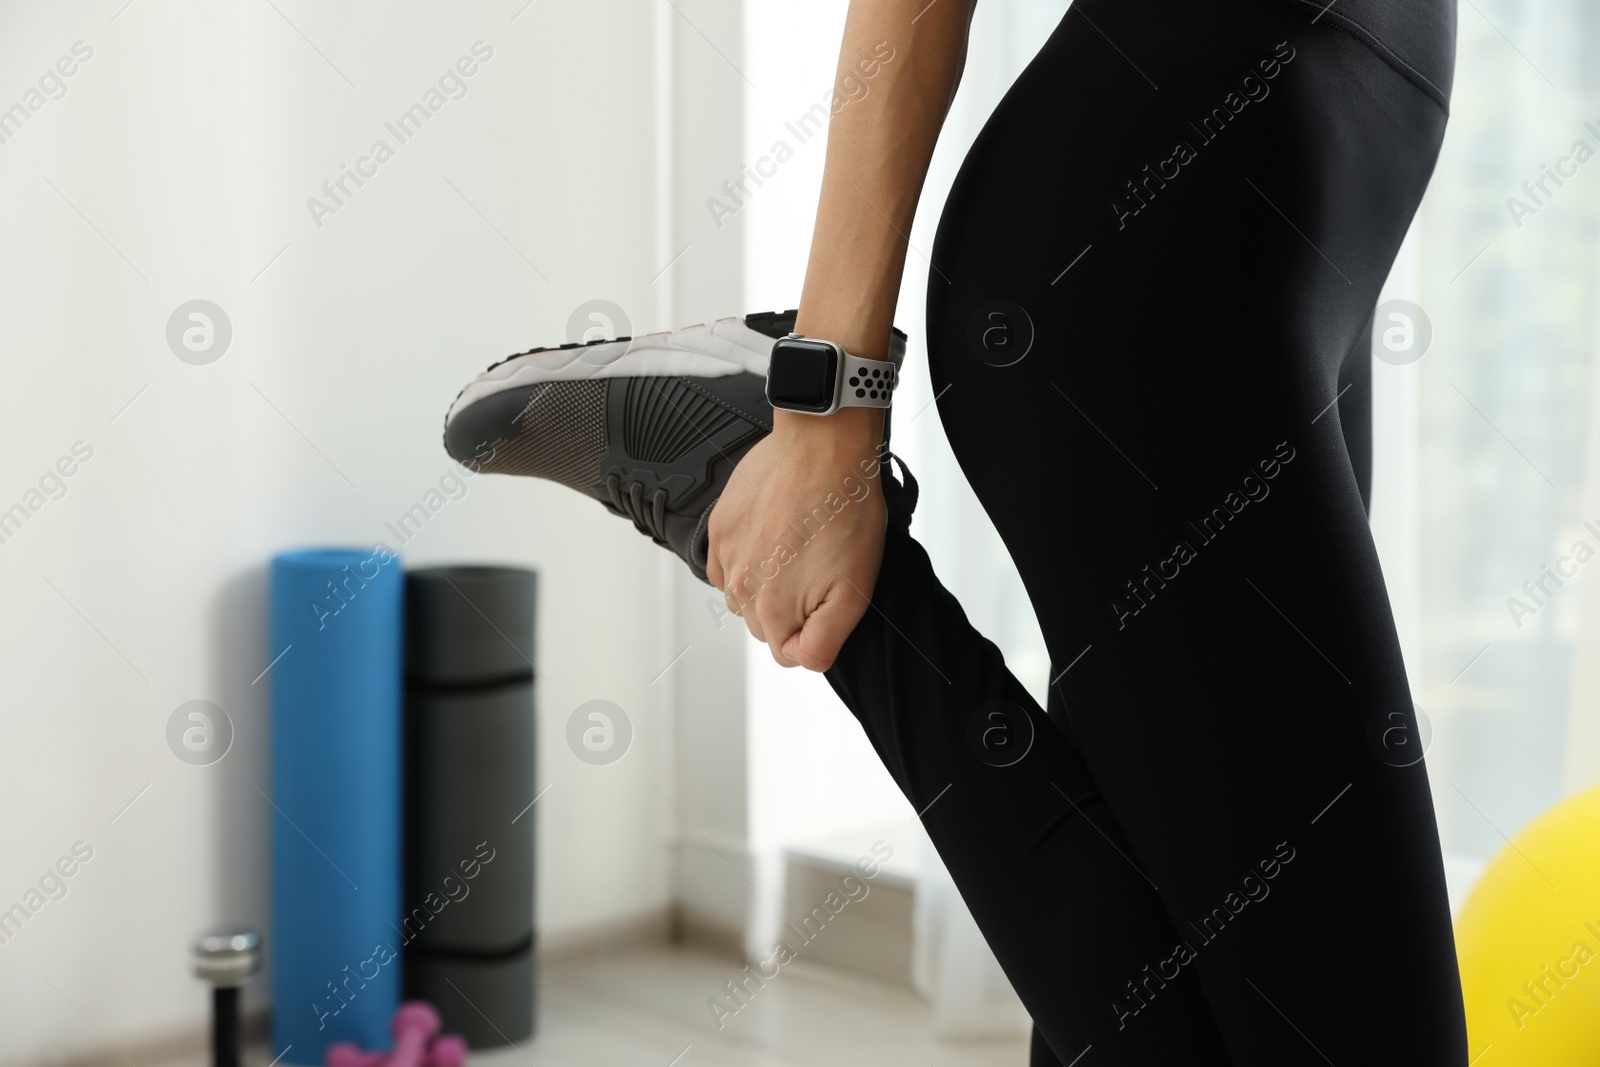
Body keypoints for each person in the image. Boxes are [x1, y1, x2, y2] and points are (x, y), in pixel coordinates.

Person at [445, 0, 1465, 1060]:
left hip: (1302, 207)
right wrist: (827, 390)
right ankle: (747, 470)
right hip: (1160, 233)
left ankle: (755, 487)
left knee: (1201, 981)